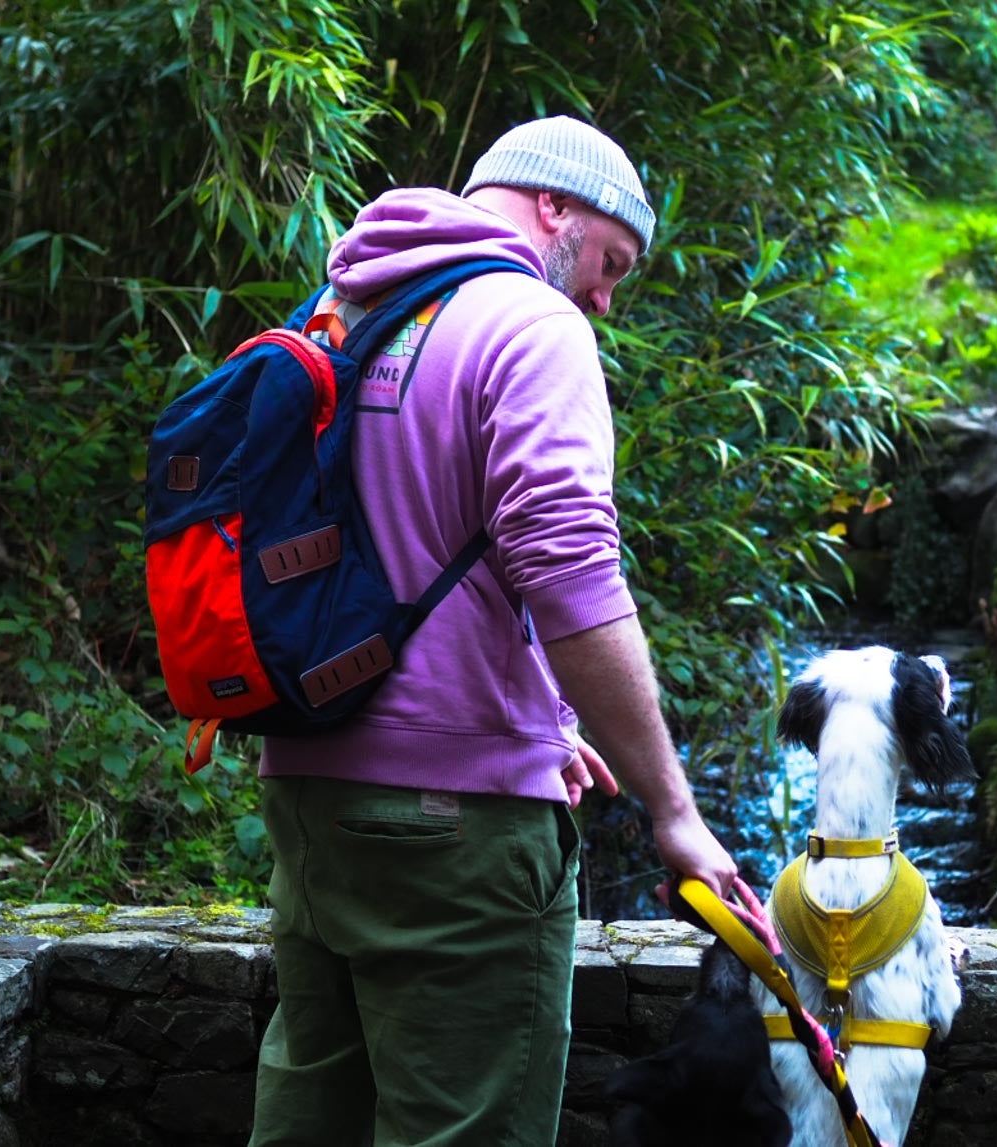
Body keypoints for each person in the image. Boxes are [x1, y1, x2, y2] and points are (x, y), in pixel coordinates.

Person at [248, 116, 741, 1147]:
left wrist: (545, 717)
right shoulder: (528, 323)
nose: (605, 297)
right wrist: (672, 807)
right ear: (553, 206)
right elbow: (565, 568)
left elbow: (381, 547)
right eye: (612, 262)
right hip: (456, 831)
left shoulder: (341, 308)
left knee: (309, 1124)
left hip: (307, 800)